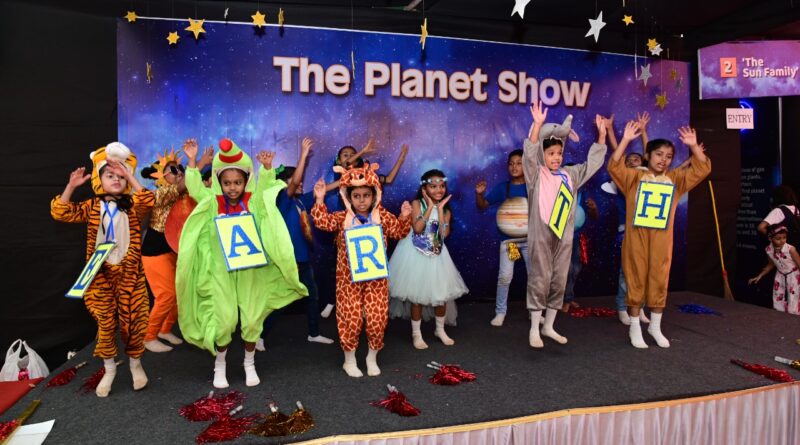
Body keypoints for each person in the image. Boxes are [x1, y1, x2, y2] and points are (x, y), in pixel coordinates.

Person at [176, 138, 306, 388]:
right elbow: (195, 189)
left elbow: (266, 189)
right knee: (224, 320)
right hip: (221, 271)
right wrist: (192, 161)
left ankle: (249, 363)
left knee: (252, 318)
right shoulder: (212, 202)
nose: (232, 188)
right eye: (227, 183)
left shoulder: (253, 202)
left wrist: (266, 169)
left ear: (245, 181)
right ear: (219, 182)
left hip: (250, 270)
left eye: (237, 182)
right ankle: (220, 365)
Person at [51, 142, 154, 397]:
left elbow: (148, 199)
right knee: (105, 322)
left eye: (121, 176)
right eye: (110, 175)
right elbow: (61, 212)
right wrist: (71, 187)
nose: (116, 180)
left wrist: (129, 174)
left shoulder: (132, 205)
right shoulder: (92, 206)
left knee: (135, 322)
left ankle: (136, 364)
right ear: (100, 180)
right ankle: (109, 368)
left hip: (129, 273)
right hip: (100, 274)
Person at [609, 121, 711, 348]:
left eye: (668, 156)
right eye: (658, 154)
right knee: (635, 278)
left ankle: (655, 326)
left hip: (662, 241)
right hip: (636, 238)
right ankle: (635, 327)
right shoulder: (634, 178)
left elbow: (702, 169)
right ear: (647, 156)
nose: (663, 159)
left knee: (659, 278)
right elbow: (614, 167)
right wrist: (625, 140)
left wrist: (693, 146)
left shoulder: (675, 180)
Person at [311, 163, 412, 377]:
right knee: (351, 319)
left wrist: (404, 216)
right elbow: (322, 223)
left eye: (366, 195)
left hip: (376, 279)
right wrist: (320, 199)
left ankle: (371, 357)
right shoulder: (343, 218)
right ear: (348, 197)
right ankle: (349, 361)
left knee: (377, 320)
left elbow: (399, 232)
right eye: (356, 196)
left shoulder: (382, 216)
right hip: (348, 280)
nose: (362, 200)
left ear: (375, 195)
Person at [523, 100, 608, 348]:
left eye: (559, 153)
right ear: (543, 155)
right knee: (540, 279)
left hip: (563, 236)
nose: (556, 157)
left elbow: (592, 165)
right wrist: (537, 125)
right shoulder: (536, 175)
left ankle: (549, 326)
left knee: (559, 279)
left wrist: (602, 137)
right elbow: (530, 154)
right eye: (551, 153)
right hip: (541, 235)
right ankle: (534, 329)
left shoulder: (570, 175)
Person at [257, 137, 334, 350]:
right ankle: (259, 336)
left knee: (312, 296)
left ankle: (313, 333)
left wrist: (347, 179)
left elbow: (323, 189)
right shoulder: (283, 201)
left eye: (300, 182)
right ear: (284, 184)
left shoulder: (300, 201)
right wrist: (303, 156)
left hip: (303, 260)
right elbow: (292, 184)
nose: (300, 184)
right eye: (296, 182)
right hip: (288, 261)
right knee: (282, 301)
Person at [318, 141, 410, 318]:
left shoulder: (369, 176)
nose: (349, 157)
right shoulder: (344, 177)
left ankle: (368, 306)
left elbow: (389, 179)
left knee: (369, 268)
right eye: (345, 154)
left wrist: (402, 157)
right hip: (348, 228)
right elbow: (343, 167)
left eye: (366, 195)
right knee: (344, 268)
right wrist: (364, 150)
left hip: (369, 226)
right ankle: (334, 301)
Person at [139, 144, 212, 353]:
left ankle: (164, 329)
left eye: (180, 168)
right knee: (166, 295)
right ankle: (148, 337)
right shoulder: (161, 193)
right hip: (155, 252)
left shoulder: (183, 192)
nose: (179, 172)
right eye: (173, 170)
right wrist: (197, 162)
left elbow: (192, 183)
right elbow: (186, 182)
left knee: (180, 294)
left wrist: (204, 171)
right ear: (161, 178)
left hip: (174, 250)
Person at [389, 169, 469, 349]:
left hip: (437, 255)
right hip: (414, 254)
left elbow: (444, 234)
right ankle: (416, 334)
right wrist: (430, 207)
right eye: (433, 186)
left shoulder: (446, 209)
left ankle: (439, 330)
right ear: (424, 188)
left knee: (441, 295)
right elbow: (418, 228)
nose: (438, 190)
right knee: (416, 295)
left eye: (442, 186)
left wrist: (439, 211)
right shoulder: (417, 203)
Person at [599, 113, 650, 325]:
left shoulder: (649, 176)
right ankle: (622, 306)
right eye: (629, 161)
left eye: (636, 159)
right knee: (626, 271)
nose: (632, 161)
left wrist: (644, 131)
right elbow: (617, 156)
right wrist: (611, 130)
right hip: (626, 230)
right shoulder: (625, 180)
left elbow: (650, 155)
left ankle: (640, 307)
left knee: (645, 272)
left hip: (647, 230)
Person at [475, 149, 529, 327]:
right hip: (510, 242)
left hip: (529, 242)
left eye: (519, 163)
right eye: (511, 164)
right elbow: (483, 206)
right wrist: (479, 194)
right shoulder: (503, 188)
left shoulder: (532, 187)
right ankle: (500, 312)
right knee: (505, 276)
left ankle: (534, 311)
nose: (514, 167)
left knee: (534, 276)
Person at [748, 224, 800, 314]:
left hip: (793, 276)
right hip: (780, 275)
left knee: (793, 301)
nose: (782, 241)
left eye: (784, 237)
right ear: (770, 238)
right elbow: (771, 264)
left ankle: (793, 319)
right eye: (778, 238)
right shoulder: (769, 250)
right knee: (778, 300)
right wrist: (759, 276)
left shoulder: (791, 249)